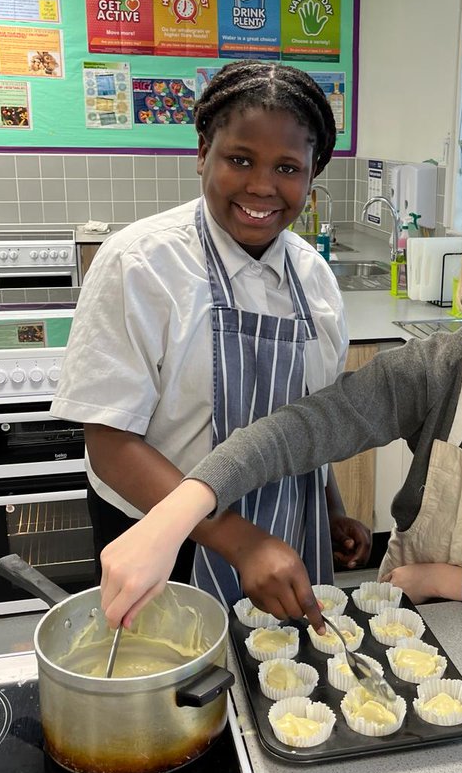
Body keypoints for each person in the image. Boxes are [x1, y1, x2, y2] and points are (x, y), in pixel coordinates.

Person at [98, 172, 462, 632]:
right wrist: (172, 516)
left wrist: (445, 579)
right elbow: (301, 429)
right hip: (415, 625)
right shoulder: (433, 371)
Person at [50, 60, 372, 612]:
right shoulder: (141, 264)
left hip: (285, 535)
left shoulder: (314, 280)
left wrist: (328, 507)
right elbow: (109, 446)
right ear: (203, 153)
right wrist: (241, 543)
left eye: (288, 167)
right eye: (239, 159)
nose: (262, 186)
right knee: (178, 687)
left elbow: (312, 418)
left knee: (285, 691)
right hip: (162, 536)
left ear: (312, 175)